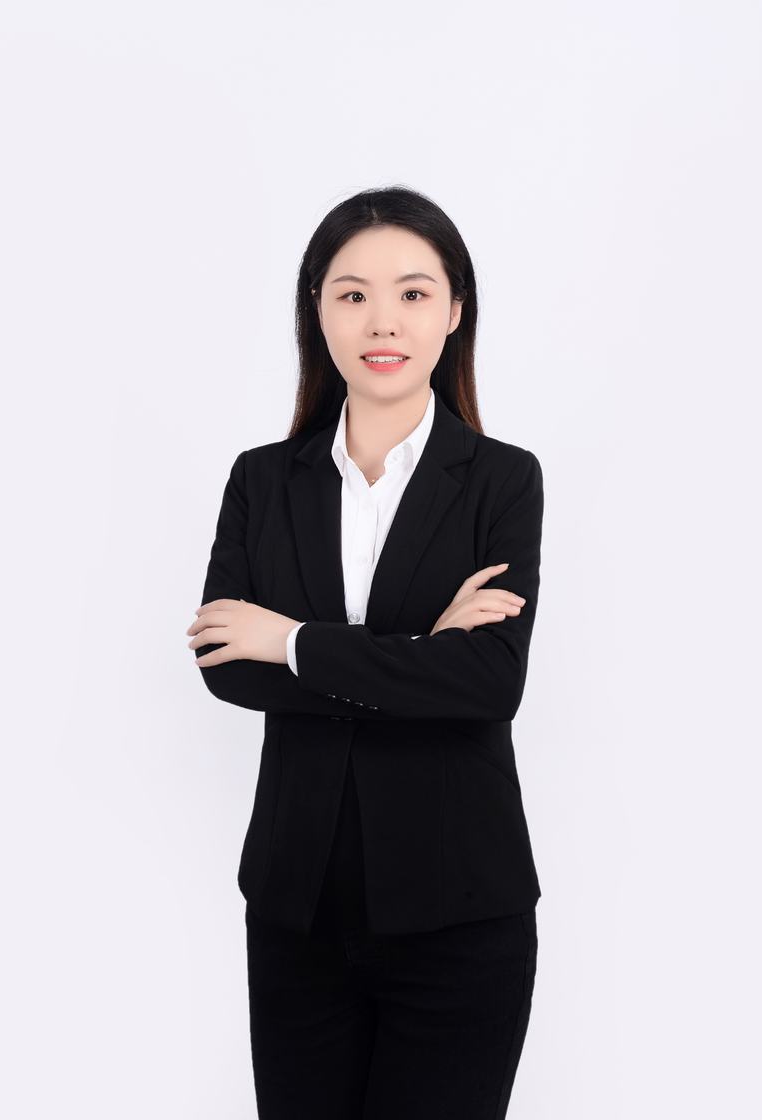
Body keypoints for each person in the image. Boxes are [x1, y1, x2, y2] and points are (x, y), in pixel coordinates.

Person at [187, 185, 545, 1119]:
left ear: (455, 310)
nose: (383, 321)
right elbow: (227, 665)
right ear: (317, 310)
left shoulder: (502, 481)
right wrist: (419, 655)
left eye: (414, 293)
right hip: (297, 910)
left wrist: (291, 642)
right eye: (352, 294)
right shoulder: (263, 480)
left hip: (460, 908)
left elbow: (488, 682)